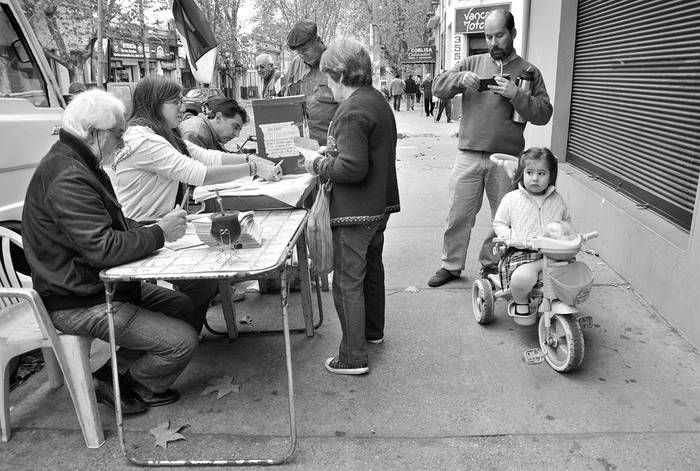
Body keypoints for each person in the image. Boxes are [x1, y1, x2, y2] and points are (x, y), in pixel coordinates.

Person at [22, 89, 197, 415]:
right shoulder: (69, 176)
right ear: (93, 133)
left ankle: (111, 377)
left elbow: (111, 222)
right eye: (118, 134)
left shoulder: (77, 160)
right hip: (78, 298)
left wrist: (154, 225)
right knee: (182, 342)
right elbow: (103, 248)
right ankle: (138, 383)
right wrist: (159, 232)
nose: (122, 142)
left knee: (182, 305)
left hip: (92, 284)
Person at [109, 77, 281, 331]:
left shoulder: (163, 134)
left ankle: (176, 337)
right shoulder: (144, 140)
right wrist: (253, 167)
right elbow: (198, 172)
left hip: (163, 223)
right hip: (140, 227)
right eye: (175, 102)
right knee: (201, 282)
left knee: (208, 274)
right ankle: (175, 340)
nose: (182, 108)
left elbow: (206, 156)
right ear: (155, 104)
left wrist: (249, 157)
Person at [428, 9, 552, 287]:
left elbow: (544, 114)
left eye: (499, 35)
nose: (493, 42)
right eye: (488, 36)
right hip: (469, 154)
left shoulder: (529, 71)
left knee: (504, 220)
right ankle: (451, 265)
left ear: (513, 34)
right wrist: (460, 79)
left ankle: (491, 265)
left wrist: (516, 94)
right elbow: (437, 87)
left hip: (507, 159)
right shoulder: (471, 62)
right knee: (458, 215)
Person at [303, 38, 400, 375]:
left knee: (347, 282)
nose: (327, 84)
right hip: (378, 205)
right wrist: (336, 156)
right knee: (371, 271)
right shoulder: (375, 100)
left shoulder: (352, 108)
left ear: (340, 74)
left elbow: (353, 169)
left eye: (328, 76)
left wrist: (318, 165)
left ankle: (352, 357)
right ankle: (372, 332)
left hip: (356, 210)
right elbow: (364, 156)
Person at [179, 96, 252, 302]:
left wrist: (247, 159)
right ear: (218, 117)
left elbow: (217, 158)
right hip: (191, 204)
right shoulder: (195, 132)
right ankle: (215, 289)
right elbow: (202, 172)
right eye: (234, 127)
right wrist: (249, 166)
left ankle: (219, 285)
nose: (236, 134)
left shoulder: (204, 130)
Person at [492, 148, 570, 316]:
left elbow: (566, 222)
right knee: (522, 278)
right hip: (522, 252)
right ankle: (520, 301)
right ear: (522, 173)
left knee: (571, 273)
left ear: (551, 175)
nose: (535, 178)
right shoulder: (511, 199)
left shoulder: (557, 200)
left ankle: (554, 298)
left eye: (542, 173)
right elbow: (499, 223)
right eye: (530, 172)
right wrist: (510, 237)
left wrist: (567, 235)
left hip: (553, 252)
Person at [284, 20, 338, 146]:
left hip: (334, 150)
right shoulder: (301, 72)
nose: (302, 55)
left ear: (318, 41)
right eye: (298, 52)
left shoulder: (338, 66)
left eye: (305, 49)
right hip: (310, 150)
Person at [179, 96, 247, 152]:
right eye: (235, 127)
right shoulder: (196, 134)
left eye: (239, 130)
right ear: (218, 117)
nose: (237, 135)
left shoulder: (212, 133)